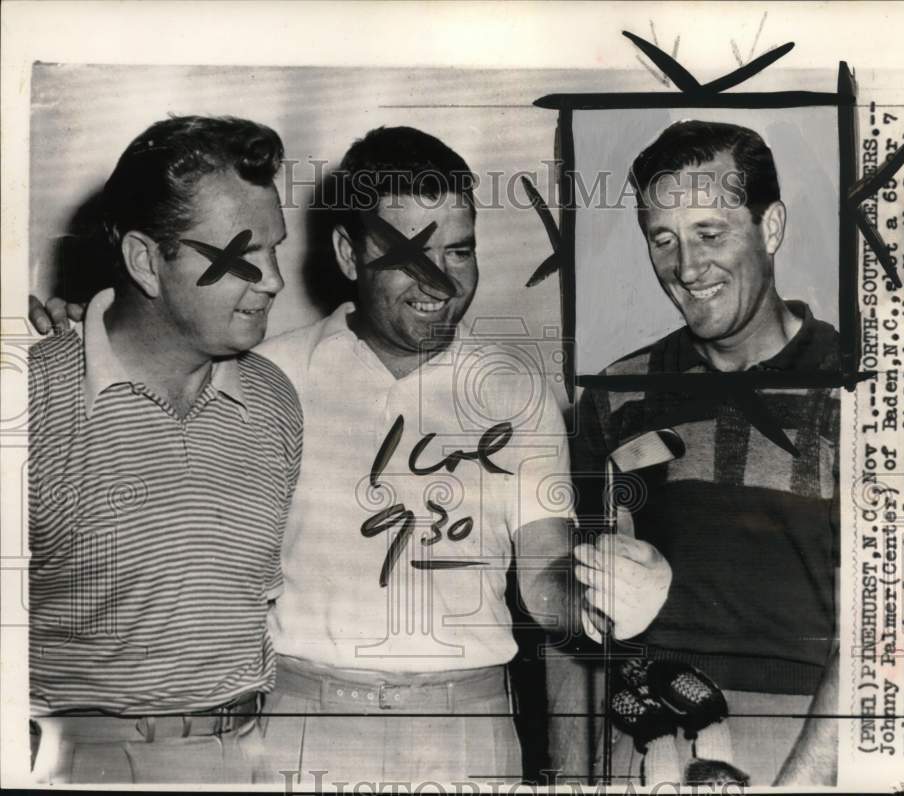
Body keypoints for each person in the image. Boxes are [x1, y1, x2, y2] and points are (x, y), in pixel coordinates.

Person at [250, 126, 673, 787]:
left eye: (458, 252)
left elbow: (543, 578)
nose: (438, 281)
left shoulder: (515, 390)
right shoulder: (263, 378)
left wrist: (603, 602)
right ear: (347, 252)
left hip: (466, 727)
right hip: (301, 719)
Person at [558, 120, 840, 786]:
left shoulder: (865, 392)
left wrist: (801, 782)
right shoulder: (615, 399)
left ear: (770, 227)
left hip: (810, 742)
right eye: (664, 238)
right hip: (648, 736)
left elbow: (889, 631)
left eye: (711, 233)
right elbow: (576, 638)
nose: (686, 267)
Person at [27, 115, 303, 784]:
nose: (273, 282)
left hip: (244, 755)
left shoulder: (274, 400)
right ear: (146, 261)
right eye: (242, 255)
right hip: (76, 761)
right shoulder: (26, 398)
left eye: (275, 251)